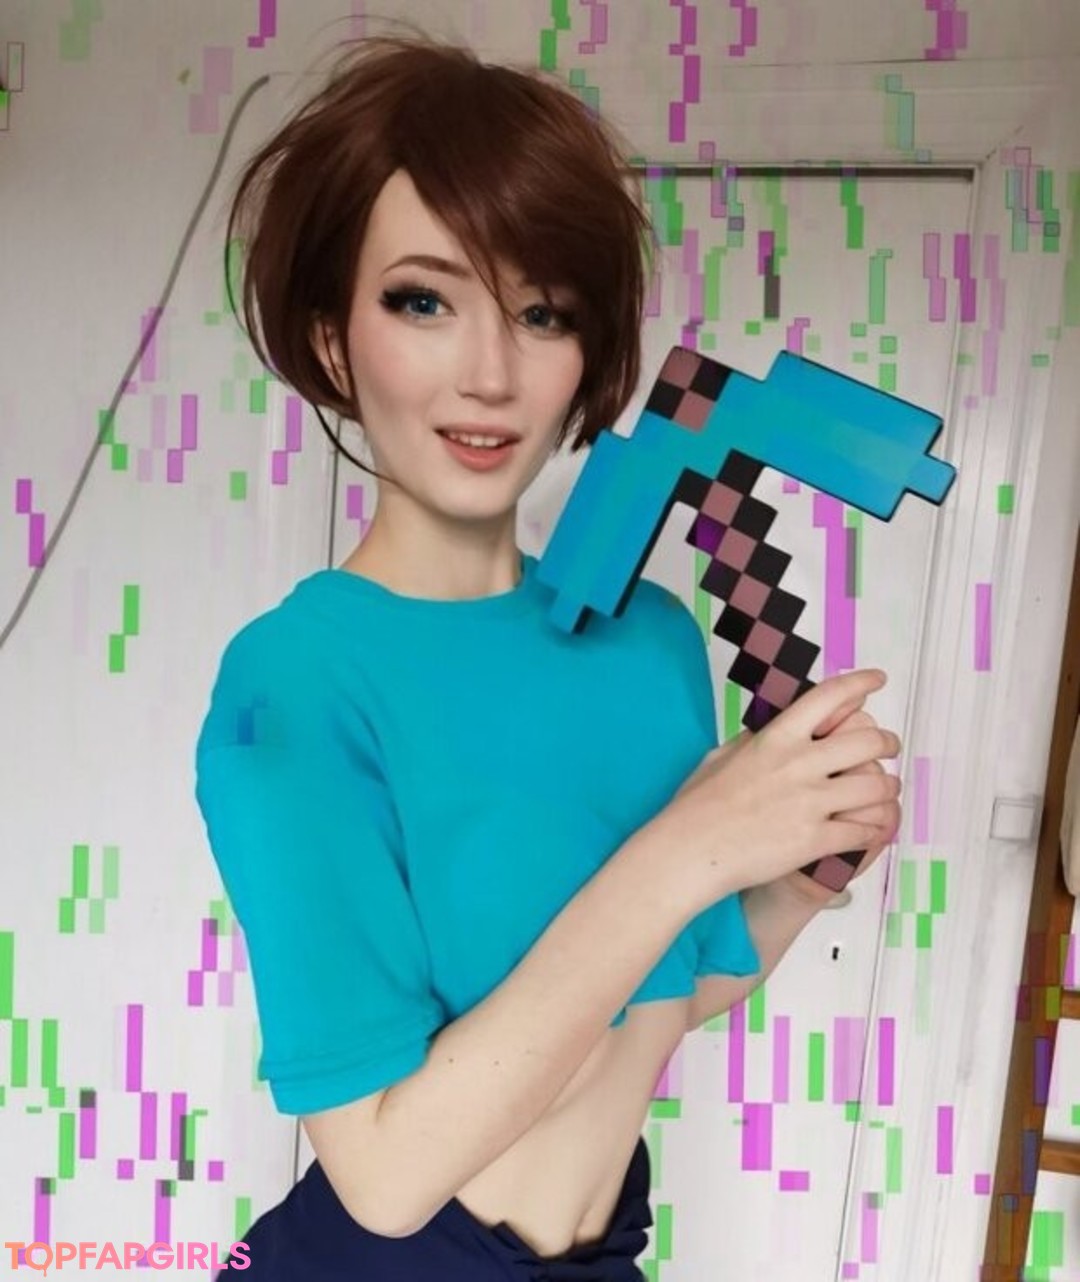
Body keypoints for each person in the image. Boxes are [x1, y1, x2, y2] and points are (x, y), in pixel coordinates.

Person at [194, 33, 902, 1281]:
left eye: (542, 312)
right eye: (424, 301)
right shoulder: (292, 685)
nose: (491, 373)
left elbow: (655, 999)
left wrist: (799, 873)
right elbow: (387, 1175)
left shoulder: (654, 641)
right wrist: (694, 845)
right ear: (331, 339)